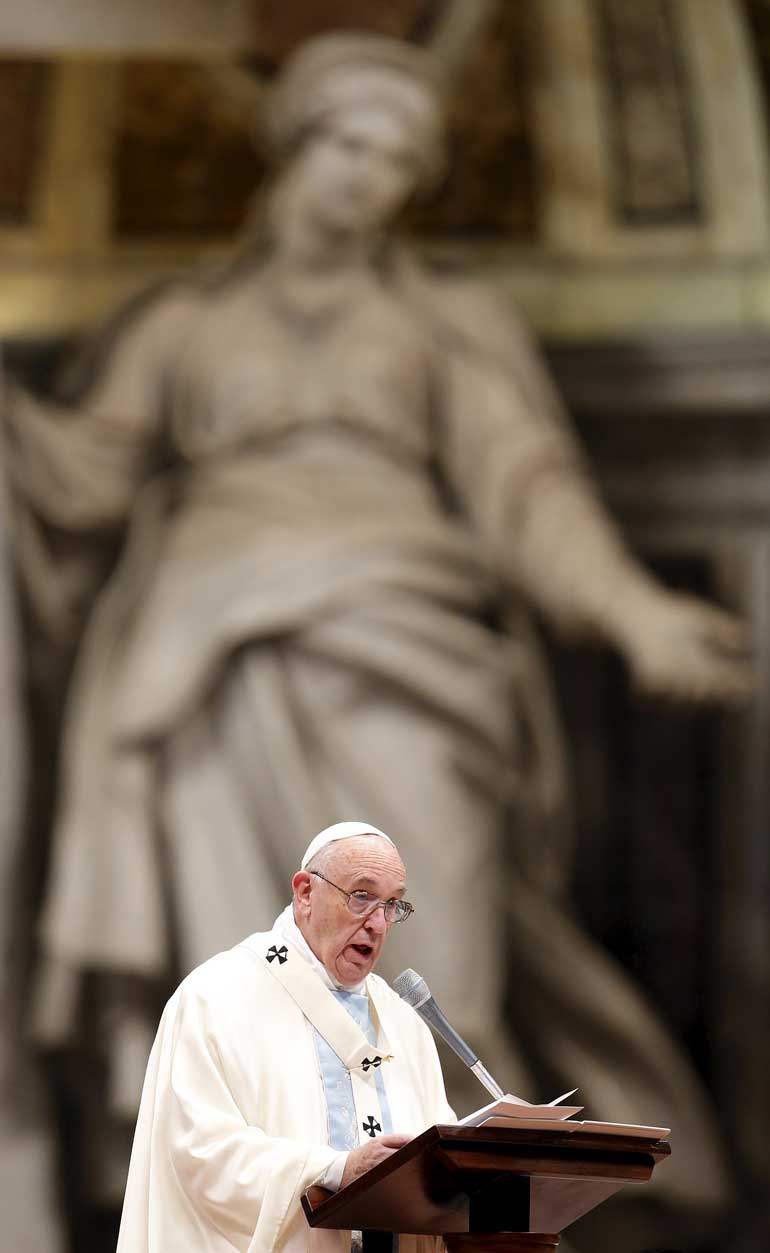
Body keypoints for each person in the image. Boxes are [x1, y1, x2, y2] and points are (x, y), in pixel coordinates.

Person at [4, 29, 749, 1222]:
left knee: (431, 947)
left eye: (401, 159)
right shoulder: (183, 324)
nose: (370, 176)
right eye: (352, 142)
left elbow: (530, 492)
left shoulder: (443, 321)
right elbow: (76, 474)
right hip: (210, 658)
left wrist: (637, 612)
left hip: (404, 641)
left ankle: (452, 1210)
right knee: (252, 983)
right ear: (295, 145)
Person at [116, 821, 454, 1253]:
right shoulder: (216, 996)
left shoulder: (400, 1020)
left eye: (393, 905)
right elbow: (199, 1154)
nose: (378, 923)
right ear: (305, 893)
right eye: (362, 896)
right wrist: (335, 1169)